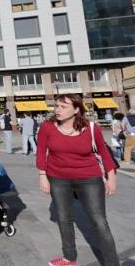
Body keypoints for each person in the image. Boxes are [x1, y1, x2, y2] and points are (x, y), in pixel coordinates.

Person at [37, 94, 119, 266]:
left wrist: (111, 177)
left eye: (63, 106)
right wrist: (42, 176)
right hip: (58, 178)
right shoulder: (47, 127)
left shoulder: (91, 128)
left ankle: (112, 263)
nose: (58, 110)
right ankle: (69, 258)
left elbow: (104, 153)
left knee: (99, 221)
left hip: (89, 178)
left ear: (76, 109)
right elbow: (41, 152)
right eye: (57, 106)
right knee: (64, 218)